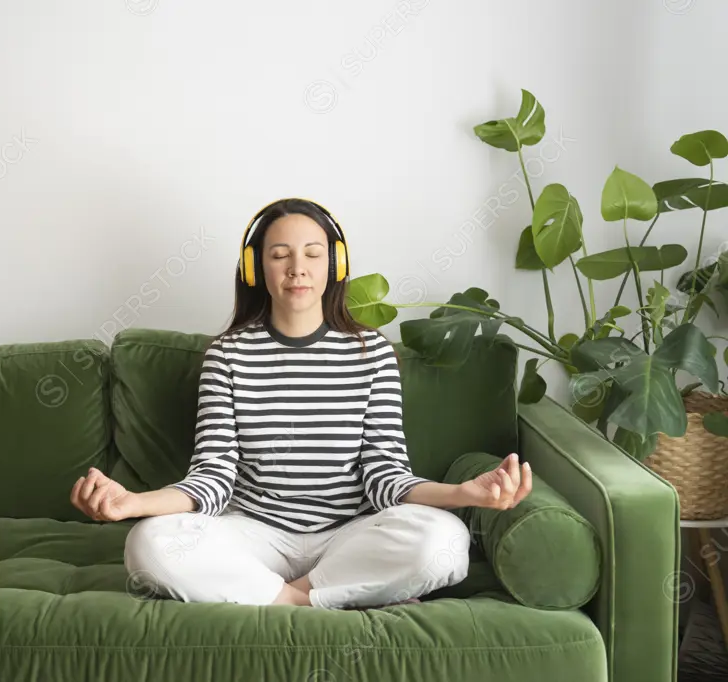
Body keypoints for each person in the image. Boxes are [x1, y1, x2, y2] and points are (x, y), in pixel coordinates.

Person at [70, 197, 532, 609]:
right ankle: (307, 599)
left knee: (446, 542)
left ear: (335, 265)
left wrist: (462, 496)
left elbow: (385, 475)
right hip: (252, 533)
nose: (298, 268)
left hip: (348, 535)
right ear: (255, 270)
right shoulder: (228, 355)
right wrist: (131, 503)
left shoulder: (371, 354)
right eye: (279, 255)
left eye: (313, 254)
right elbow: (212, 478)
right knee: (149, 542)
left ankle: (277, 596)